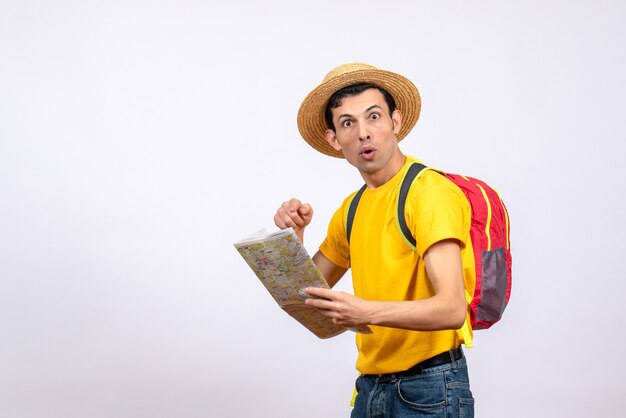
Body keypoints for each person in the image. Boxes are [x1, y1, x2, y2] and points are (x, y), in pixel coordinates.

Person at [273, 63, 476, 417]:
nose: (364, 133)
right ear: (335, 139)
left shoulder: (427, 194)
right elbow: (308, 302)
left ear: (395, 123)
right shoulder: (351, 209)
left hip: (431, 388)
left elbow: (452, 308)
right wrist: (294, 240)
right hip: (370, 387)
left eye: (374, 117)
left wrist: (365, 311)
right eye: (348, 123)